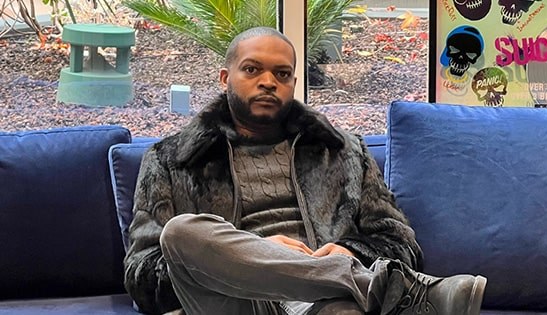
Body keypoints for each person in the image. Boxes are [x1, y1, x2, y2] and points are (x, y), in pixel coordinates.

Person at [123, 26, 487, 315]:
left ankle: (348, 283)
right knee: (182, 233)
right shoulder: (171, 158)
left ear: (294, 84)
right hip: (233, 302)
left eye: (281, 73)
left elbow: (401, 242)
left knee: (342, 311)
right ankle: (376, 286)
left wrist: (351, 252)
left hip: (319, 305)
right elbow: (141, 275)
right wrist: (258, 253)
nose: (268, 81)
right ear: (225, 77)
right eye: (252, 69)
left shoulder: (344, 152)